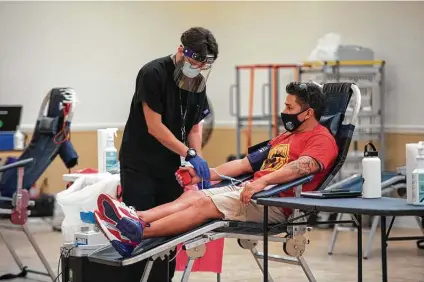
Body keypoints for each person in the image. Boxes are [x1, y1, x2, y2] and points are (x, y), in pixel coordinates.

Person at [96, 82, 339, 259]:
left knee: (203, 206)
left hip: (274, 204)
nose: (284, 112)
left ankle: (136, 235)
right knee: (194, 195)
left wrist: (261, 183)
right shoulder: (285, 136)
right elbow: (245, 164)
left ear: (307, 113)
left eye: (289, 107)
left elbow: (300, 168)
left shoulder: (322, 140)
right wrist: (203, 174)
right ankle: (135, 218)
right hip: (251, 194)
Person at [118, 27, 219, 282]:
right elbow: (155, 127)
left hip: (169, 167)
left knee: (169, 236)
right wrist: (188, 152)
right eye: (194, 63)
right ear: (180, 50)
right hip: (139, 164)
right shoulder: (152, 73)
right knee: (138, 231)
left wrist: (196, 159)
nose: (196, 69)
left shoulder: (196, 83)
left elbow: (195, 126)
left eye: (202, 66)